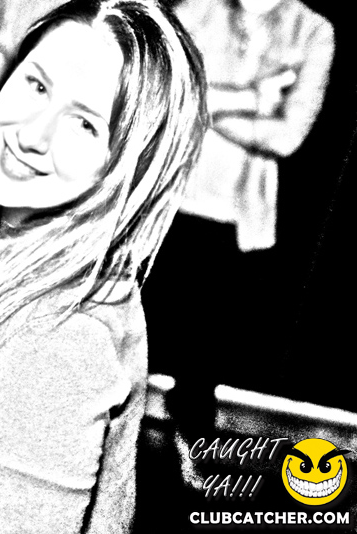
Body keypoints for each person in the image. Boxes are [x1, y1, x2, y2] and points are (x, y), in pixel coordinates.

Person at [0, 0, 208, 532]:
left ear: (129, 164)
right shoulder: (21, 236)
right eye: (37, 85)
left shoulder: (59, 336)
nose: (31, 134)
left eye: (83, 124)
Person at [143, 0, 335, 439]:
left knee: (196, 388)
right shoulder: (197, 9)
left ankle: (186, 466)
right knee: (121, 353)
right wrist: (254, 99)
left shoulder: (312, 31)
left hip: (235, 223)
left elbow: (287, 137)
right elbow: (160, 89)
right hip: (162, 202)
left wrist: (204, 103)